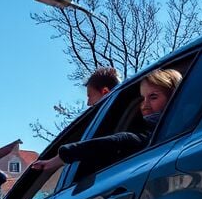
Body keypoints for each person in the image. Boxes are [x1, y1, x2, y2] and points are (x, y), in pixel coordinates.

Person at [31, 67, 182, 176]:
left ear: (105, 92)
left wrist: (61, 156)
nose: (89, 103)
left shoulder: (143, 123)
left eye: (90, 95)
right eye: (142, 98)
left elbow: (123, 140)